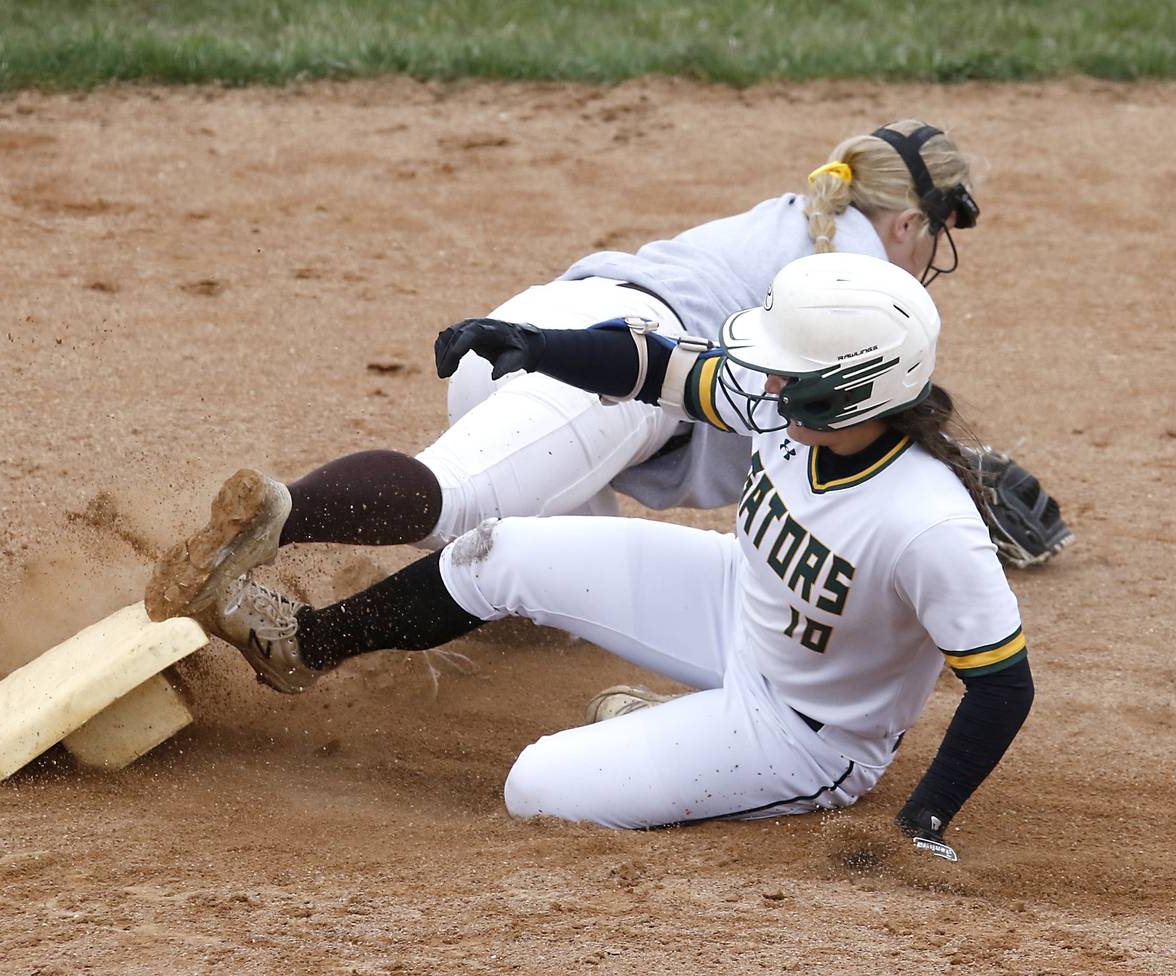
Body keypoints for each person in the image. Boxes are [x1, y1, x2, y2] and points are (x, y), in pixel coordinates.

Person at [150, 253, 1035, 860]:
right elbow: (657, 368)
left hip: (806, 735)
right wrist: (535, 349)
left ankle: (682, 736)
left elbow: (1003, 683)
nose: (763, 383)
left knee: (539, 786)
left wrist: (926, 813)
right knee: (497, 554)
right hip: (735, 598)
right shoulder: (785, 408)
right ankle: (307, 644)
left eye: (787, 373)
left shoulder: (926, 522)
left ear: (853, 392)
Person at [144, 119, 995, 624]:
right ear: (914, 221)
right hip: (609, 383)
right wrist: (954, 485)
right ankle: (276, 520)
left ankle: (293, 595)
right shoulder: (862, 289)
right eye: (942, 233)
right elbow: (838, 449)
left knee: (539, 587)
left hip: (538, 329)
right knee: (459, 499)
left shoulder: (800, 221)